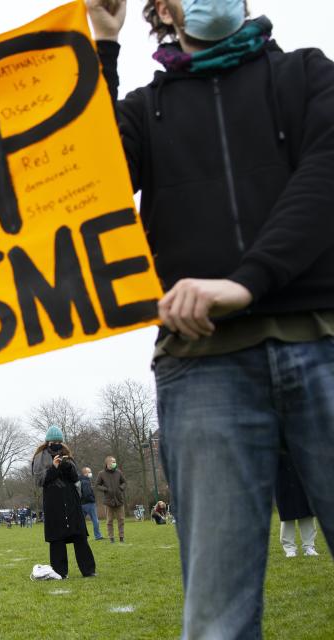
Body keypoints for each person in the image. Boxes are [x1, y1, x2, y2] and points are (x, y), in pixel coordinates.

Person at [88, 0, 334, 634]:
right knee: (217, 620)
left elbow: (324, 176)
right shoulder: (146, 112)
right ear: (162, 9)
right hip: (203, 368)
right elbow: (84, 179)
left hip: (324, 338)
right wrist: (101, 47)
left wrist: (246, 283)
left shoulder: (308, 74)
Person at [31, 426, 96, 579]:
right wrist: (54, 468)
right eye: (53, 441)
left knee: (79, 535)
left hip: (70, 499)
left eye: (59, 441)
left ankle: (88, 570)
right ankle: (60, 571)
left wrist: (67, 467)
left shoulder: (67, 455)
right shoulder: (40, 457)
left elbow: (75, 478)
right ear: (47, 442)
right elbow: (39, 480)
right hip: (53, 500)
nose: (56, 444)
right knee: (57, 538)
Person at [276, 450, 318, 557]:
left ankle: (309, 547)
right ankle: (290, 549)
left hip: (303, 479)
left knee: (307, 514)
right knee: (287, 516)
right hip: (283, 479)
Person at [95, 456, 127, 543]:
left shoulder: (119, 472)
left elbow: (124, 482)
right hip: (108, 501)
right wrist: (105, 489)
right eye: (113, 462)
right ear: (107, 463)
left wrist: (121, 488)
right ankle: (111, 538)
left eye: (115, 462)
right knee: (109, 521)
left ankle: (121, 537)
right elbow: (97, 485)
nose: (114, 463)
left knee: (121, 519)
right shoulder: (101, 474)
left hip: (119, 500)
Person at [79, 467, 104, 540]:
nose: (90, 473)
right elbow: (87, 493)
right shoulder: (86, 482)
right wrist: (92, 499)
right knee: (95, 520)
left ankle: (82, 536)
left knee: (81, 521)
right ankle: (98, 536)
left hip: (81, 504)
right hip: (89, 503)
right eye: (89, 472)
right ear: (85, 473)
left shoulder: (80, 480)